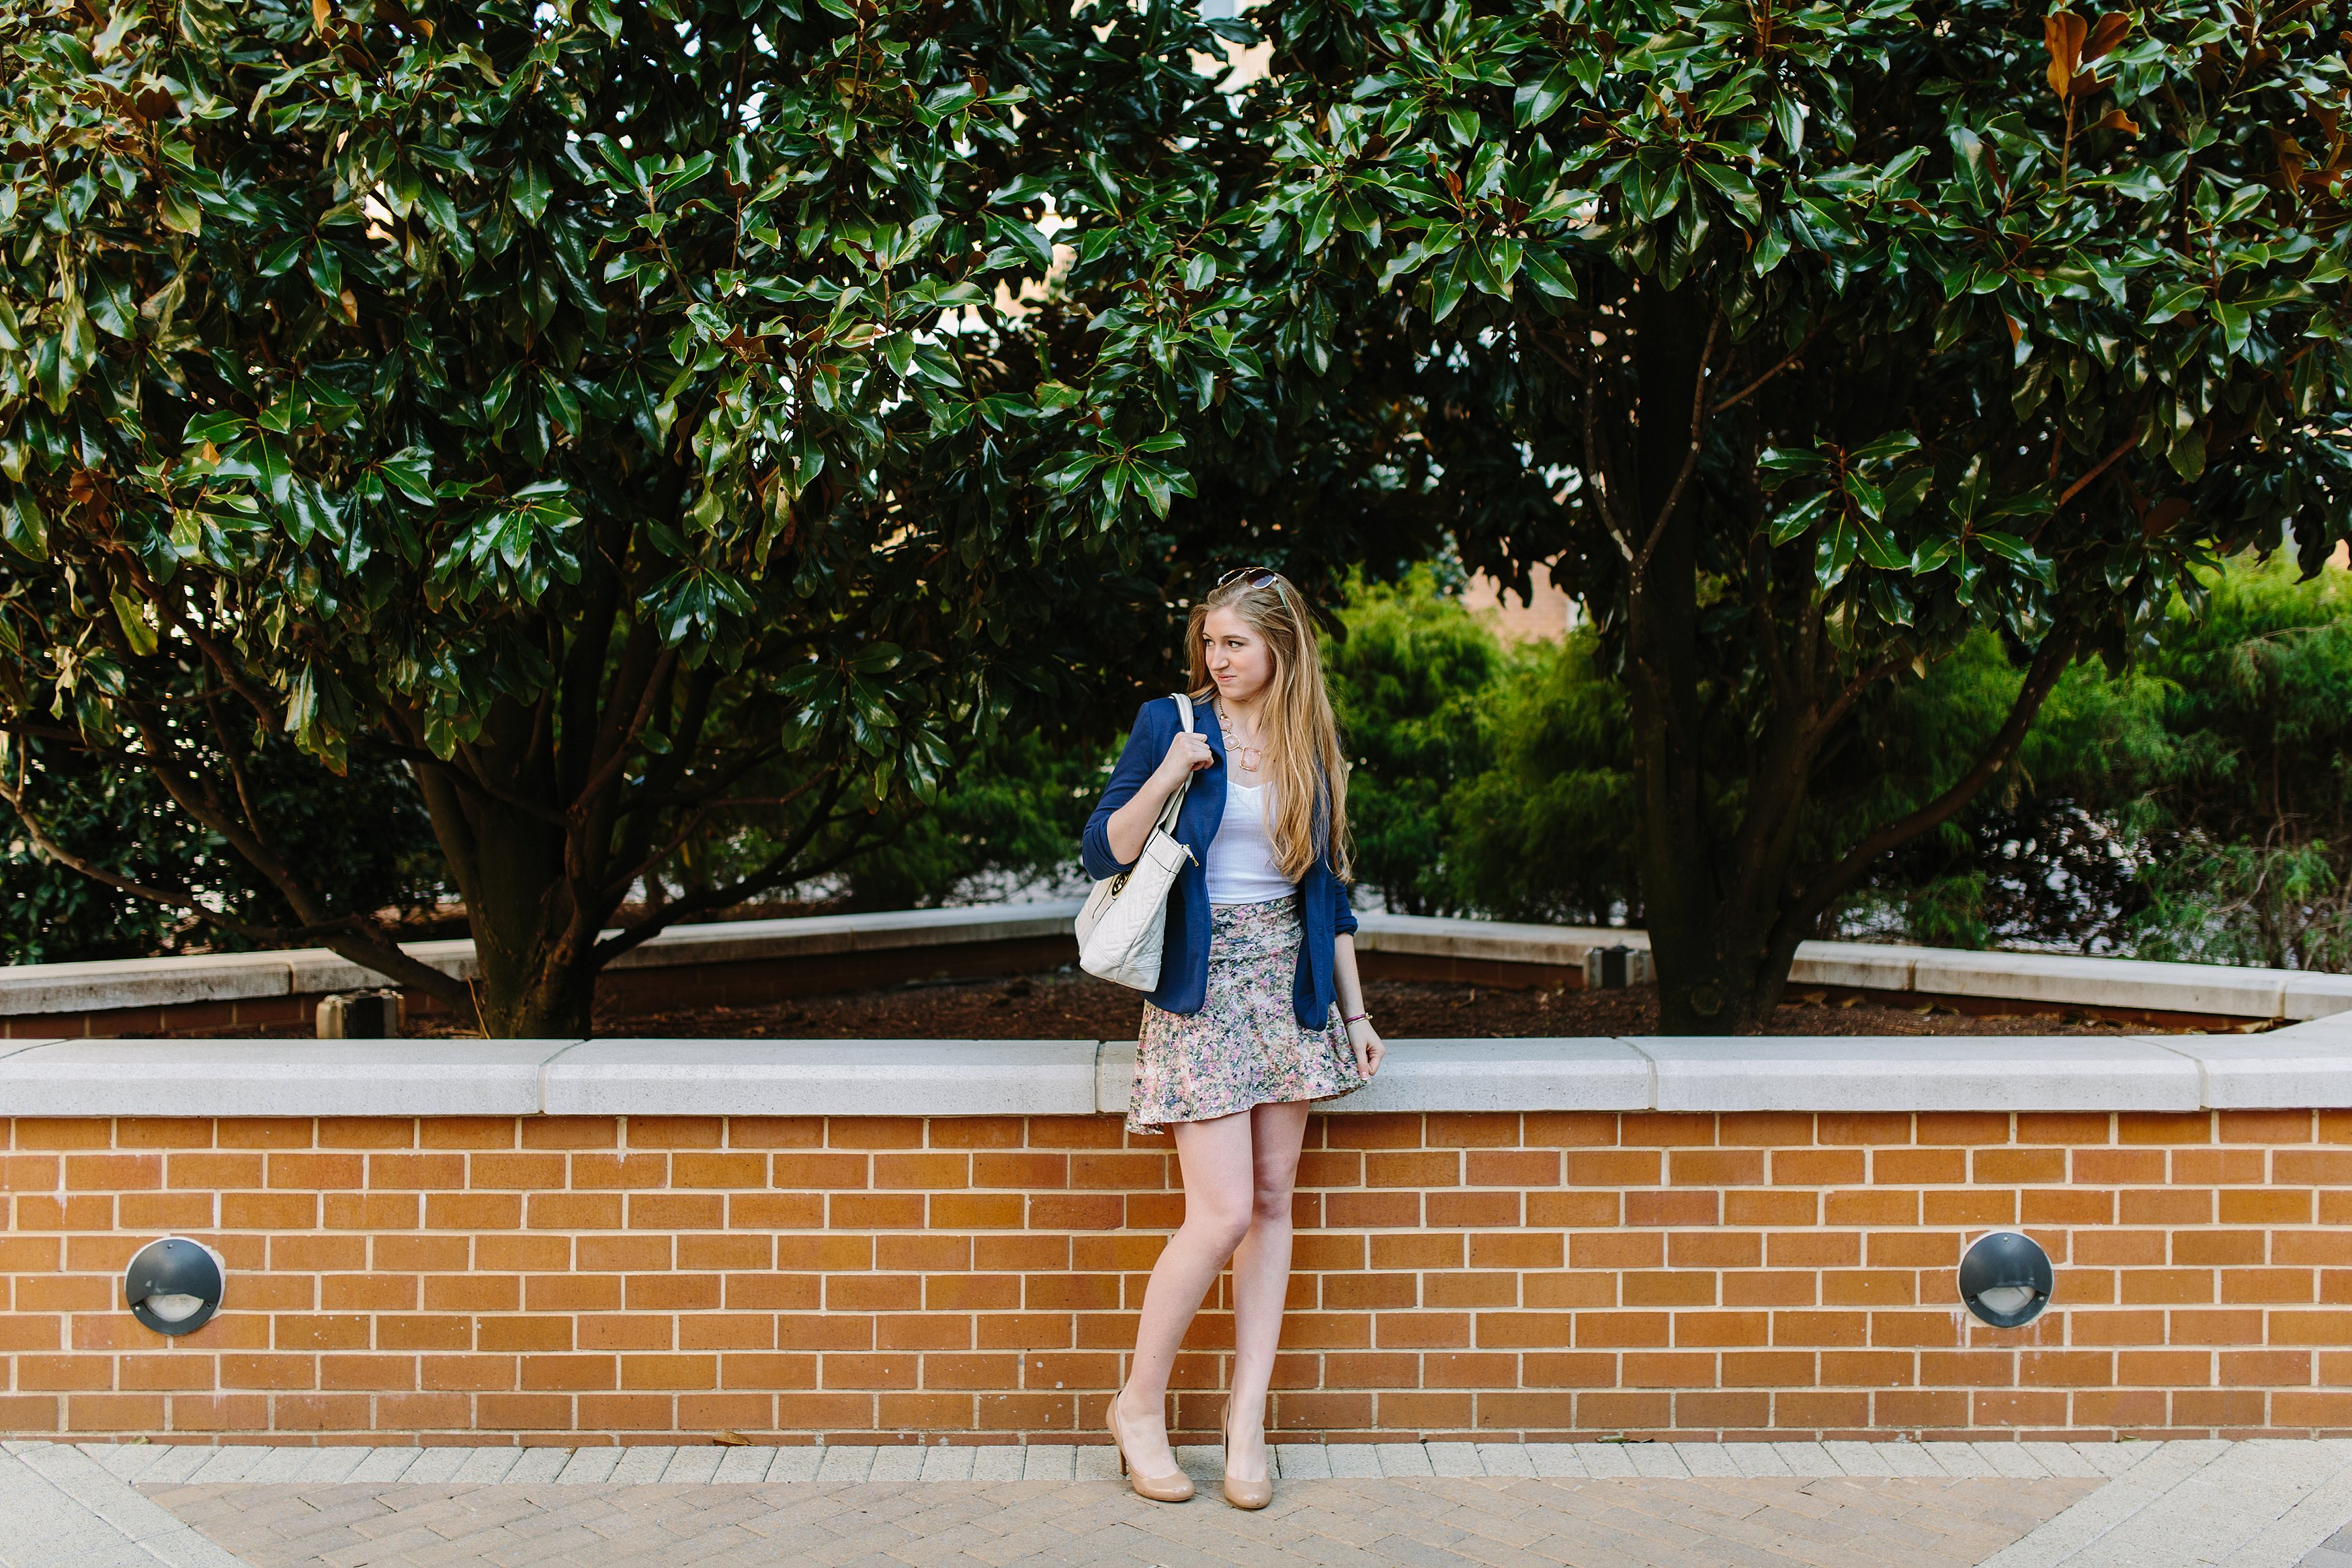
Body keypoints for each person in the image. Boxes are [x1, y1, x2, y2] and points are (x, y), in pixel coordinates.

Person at [1080, 566, 1387, 1510]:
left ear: (1280, 648)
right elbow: (1104, 850)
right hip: (1200, 990)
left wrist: (1356, 1010)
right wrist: (1172, 769)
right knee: (1217, 1214)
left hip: (1287, 988)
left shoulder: (1311, 739)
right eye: (1208, 642)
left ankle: (1245, 1420)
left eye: (1235, 644)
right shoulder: (1170, 723)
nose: (1216, 659)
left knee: (1270, 1201)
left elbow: (1329, 889)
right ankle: (1138, 1406)